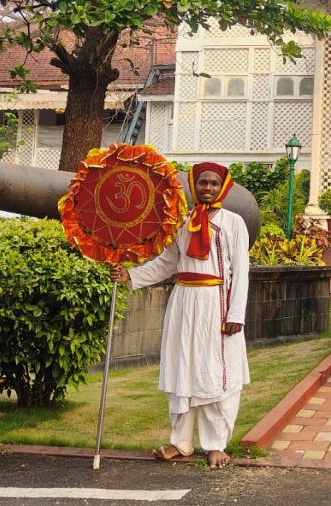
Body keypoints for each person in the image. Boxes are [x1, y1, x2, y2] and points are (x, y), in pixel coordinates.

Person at [110, 162, 250, 469]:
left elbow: (240, 271)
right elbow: (166, 263)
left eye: (214, 183)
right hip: (183, 302)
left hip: (217, 305)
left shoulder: (233, 223)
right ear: (193, 185)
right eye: (202, 183)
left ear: (223, 187)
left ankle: (215, 445)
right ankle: (181, 442)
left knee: (214, 374)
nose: (208, 188)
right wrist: (130, 276)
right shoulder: (181, 223)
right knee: (181, 370)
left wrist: (236, 313)